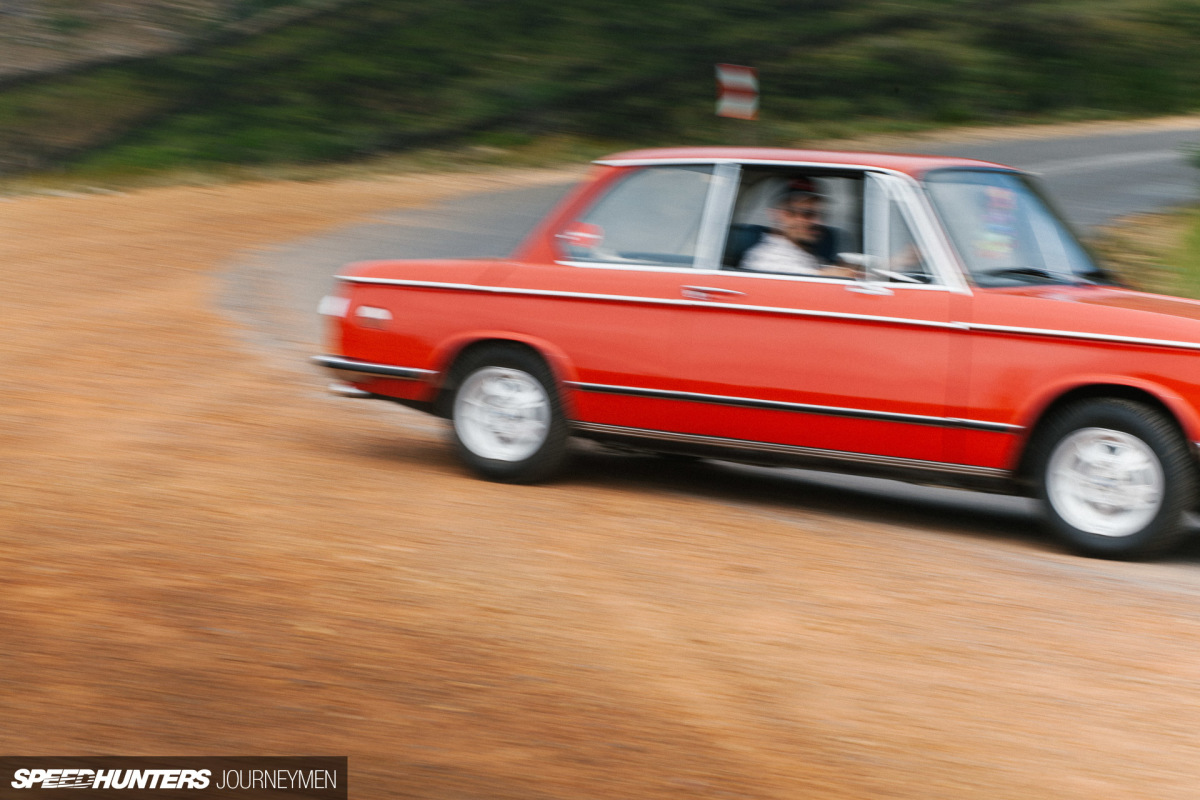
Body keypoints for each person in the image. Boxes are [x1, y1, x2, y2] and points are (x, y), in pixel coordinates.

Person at [738, 181, 851, 277]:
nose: (818, 222)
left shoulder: (805, 252)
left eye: (821, 214)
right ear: (780, 215)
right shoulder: (766, 258)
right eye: (807, 214)